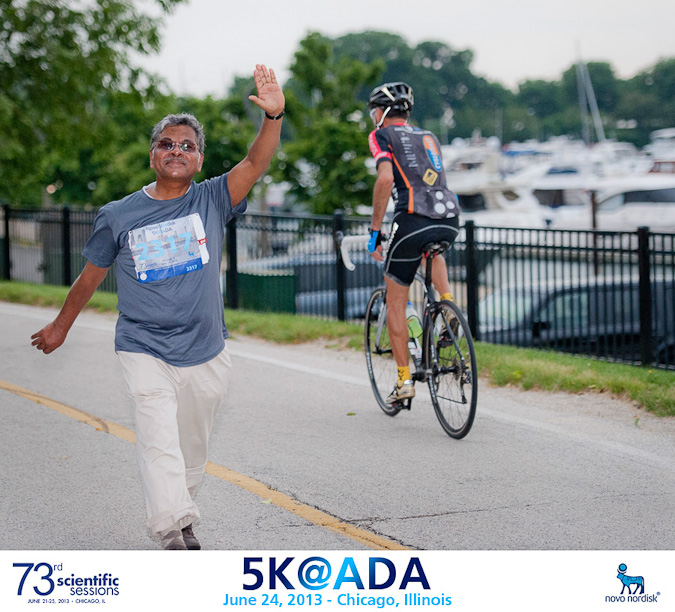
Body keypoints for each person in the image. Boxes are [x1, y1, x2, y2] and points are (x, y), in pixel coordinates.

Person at [30, 64, 285, 550]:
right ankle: (171, 529)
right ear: (152, 156)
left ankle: (180, 511)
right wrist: (61, 326)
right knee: (157, 435)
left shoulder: (214, 198)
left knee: (191, 445)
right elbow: (90, 276)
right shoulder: (119, 215)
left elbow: (255, 163)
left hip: (206, 349)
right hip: (143, 345)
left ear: (199, 158)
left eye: (187, 145)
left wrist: (272, 117)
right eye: (166, 143)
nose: (176, 151)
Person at [366, 81, 460, 404]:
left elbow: (386, 179)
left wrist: (375, 231)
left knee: (395, 299)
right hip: (448, 218)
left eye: (373, 111)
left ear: (381, 112)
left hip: (411, 219)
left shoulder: (381, 135)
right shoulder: (429, 136)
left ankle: (404, 380)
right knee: (431, 251)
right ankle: (448, 307)